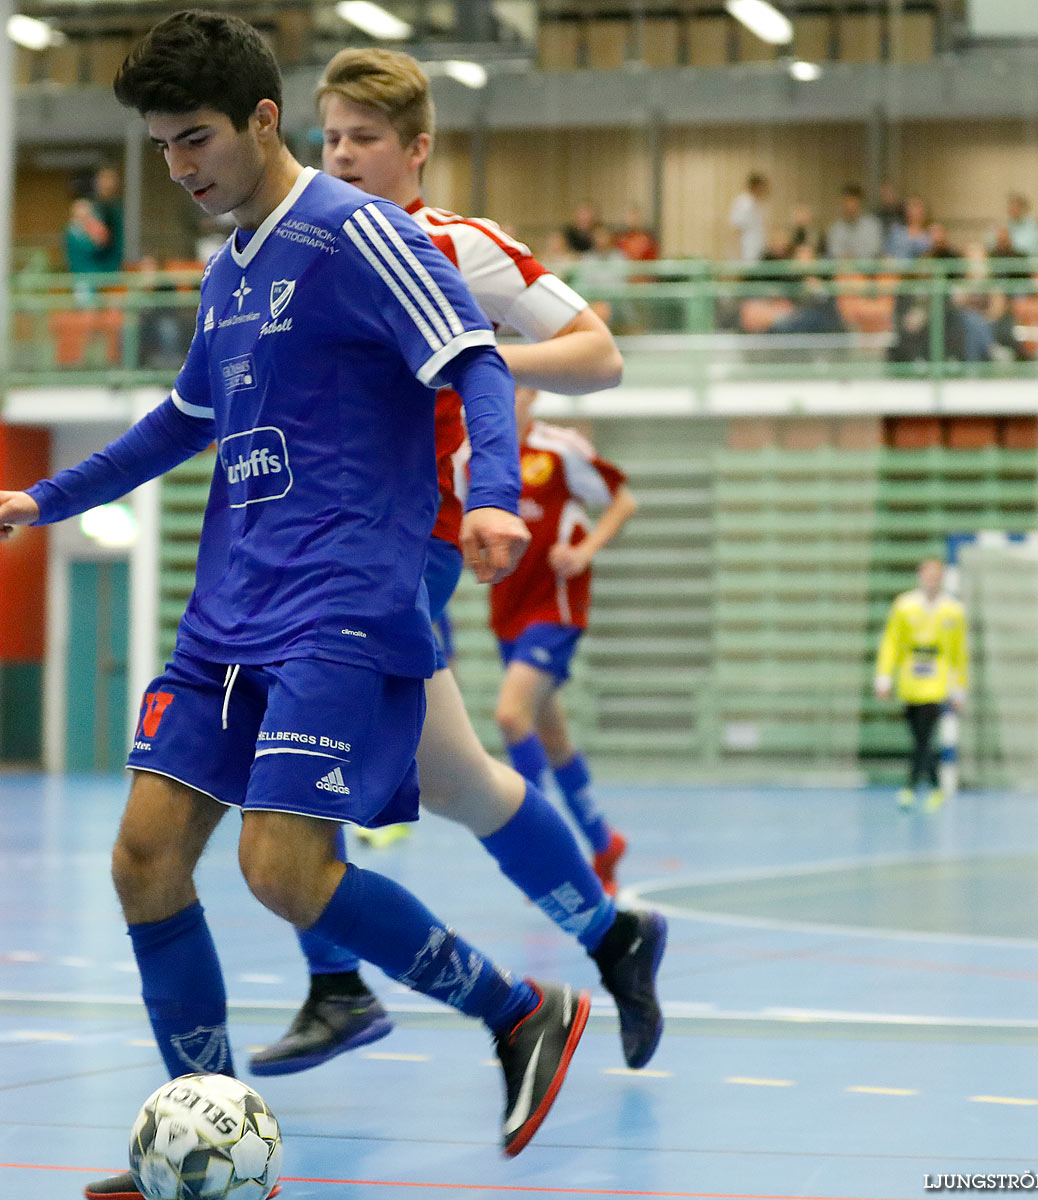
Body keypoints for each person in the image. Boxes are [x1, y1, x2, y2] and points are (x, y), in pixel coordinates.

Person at [0, 15, 645, 1194]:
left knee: (285, 870)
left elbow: (476, 359)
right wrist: (50, 494)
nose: (179, 167)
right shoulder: (228, 267)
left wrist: (495, 495)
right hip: (227, 608)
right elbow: (184, 420)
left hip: (346, 599)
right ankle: (207, 1135)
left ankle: (516, 1011)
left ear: (261, 122)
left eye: (195, 139)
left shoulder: (361, 235)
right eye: (161, 146)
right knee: (144, 863)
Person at [247, 44, 662, 1080]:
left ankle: (345, 985)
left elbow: (599, 353)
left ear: (417, 150)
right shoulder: (295, 248)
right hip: (316, 550)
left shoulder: (456, 248)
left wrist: (474, 351)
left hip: (401, 556)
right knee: (466, 784)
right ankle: (613, 937)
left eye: (366, 140)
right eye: (330, 137)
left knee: (289, 764)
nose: (341, 156)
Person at [485, 386, 637, 887]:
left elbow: (623, 500)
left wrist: (586, 549)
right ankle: (603, 842)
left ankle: (548, 859)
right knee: (551, 736)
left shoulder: (558, 448)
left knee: (510, 716)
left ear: (530, 393)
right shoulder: (475, 453)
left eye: (510, 387)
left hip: (555, 605)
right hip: (507, 607)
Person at [873, 559, 967, 811]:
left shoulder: (953, 610)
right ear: (920, 576)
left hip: (937, 681)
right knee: (919, 736)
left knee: (924, 736)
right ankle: (934, 786)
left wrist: (959, 689)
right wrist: (884, 677)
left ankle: (912, 787)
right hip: (910, 679)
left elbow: (959, 652)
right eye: (928, 575)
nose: (932, 579)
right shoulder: (904, 606)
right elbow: (891, 642)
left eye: (937, 575)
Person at [826, 184, 883, 262]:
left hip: (867, 271)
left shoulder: (872, 225)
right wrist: (846, 258)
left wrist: (855, 256)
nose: (850, 207)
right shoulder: (835, 228)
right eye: (847, 202)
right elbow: (833, 252)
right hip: (843, 270)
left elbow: (874, 250)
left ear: (860, 203)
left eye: (853, 202)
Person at [729, 172, 769, 263]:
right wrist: (736, 253)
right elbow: (735, 228)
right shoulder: (743, 203)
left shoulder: (758, 203)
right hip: (747, 250)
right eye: (762, 186)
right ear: (754, 186)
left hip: (758, 250)